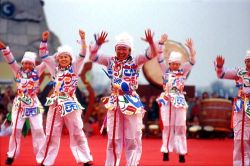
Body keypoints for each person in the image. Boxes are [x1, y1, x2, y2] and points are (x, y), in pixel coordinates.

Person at [89, 29, 158, 166]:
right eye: (119, 49)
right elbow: (93, 56)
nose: (121, 51)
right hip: (114, 102)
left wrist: (151, 42)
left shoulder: (135, 60)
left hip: (130, 101)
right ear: (115, 49)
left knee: (132, 138)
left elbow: (152, 54)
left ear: (129, 50)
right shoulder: (110, 61)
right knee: (114, 138)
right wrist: (98, 44)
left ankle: (132, 164)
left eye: (124, 49)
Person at [36, 30, 93, 166]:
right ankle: (45, 161)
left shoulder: (75, 68)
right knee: (51, 133)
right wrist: (44, 41)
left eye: (66, 57)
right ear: (58, 59)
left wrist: (83, 40)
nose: (63, 59)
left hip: (71, 103)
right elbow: (44, 55)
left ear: (70, 59)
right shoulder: (53, 68)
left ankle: (85, 159)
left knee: (77, 131)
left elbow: (83, 55)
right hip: (55, 103)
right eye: (61, 57)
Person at [0, 41, 46, 165]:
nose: (26, 65)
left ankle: (41, 158)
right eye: (25, 63)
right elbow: (11, 61)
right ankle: (11, 155)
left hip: (33, 104)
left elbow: (46, 60)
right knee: (15, 129)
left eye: (30, 63)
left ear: (34, 64)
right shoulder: (17, 71)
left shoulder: (38, 71)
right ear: (22, 63)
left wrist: (45, 44)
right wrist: (5, 49)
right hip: (19, 103)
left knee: (38, 130)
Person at [156, 34, 196, 163]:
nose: (174, 66)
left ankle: (181, 153)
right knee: (167, 126)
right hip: (167, 99)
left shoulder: (183, 71)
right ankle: (166, 151)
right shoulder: (165, 70)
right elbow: (159, 58)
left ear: (179, 64)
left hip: (179, 99)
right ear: (169, 63)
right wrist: (161, 44)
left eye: (176, 64)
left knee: (180, 126)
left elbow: (192, 61)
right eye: (172, 64)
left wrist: (190, 49)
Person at [214, 51, 250, 166]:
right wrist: (220, 67)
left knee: (247, 139)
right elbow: (222, 74)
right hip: (240, 105)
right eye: (248, 61)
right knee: (239, 138)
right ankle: (238, 163)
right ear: (245, 62)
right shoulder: (239, 72)